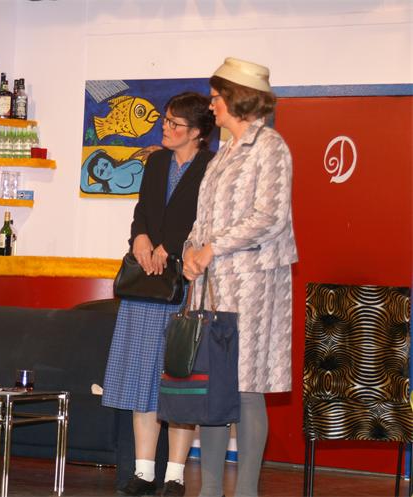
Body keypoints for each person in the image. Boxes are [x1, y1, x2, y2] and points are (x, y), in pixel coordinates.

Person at [182, 57, 298, 497]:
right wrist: (190, 251)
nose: (211, 105)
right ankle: (210, 489)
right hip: (212, 286)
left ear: (237, 98)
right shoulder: (222, 154)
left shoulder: (270, 147)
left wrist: (212, 248)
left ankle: (246, 490)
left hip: (253, 284)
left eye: (216, 97)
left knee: (246, 388)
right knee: (214, 387)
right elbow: (203, 219)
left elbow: (269, 216)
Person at [102, 92, 215, 496]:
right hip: (145, 286)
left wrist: (172, 245)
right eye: (165, 120)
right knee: (140, 380)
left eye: (175, 124)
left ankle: (174, 476)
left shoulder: (212, 167)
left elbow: (208, 220)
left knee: (178, 382)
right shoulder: (156, 162)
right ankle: (144, 471)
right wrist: (141, 238)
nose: (165, 128)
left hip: (185, 285)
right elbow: (142, 211)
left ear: (197, 132)